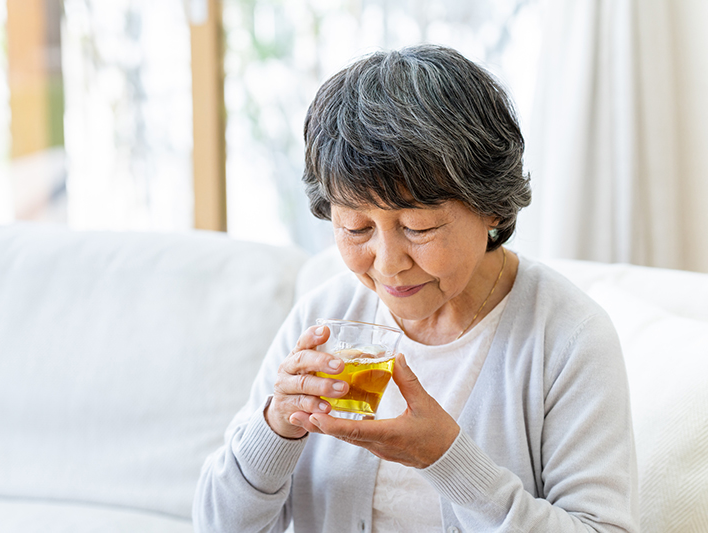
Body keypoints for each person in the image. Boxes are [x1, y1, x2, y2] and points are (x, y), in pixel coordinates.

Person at [193, 45, 639, 532]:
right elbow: (217, 524)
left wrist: (446, 458)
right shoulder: (324, 316)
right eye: (357, 228)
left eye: (419, 228)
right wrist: (275, 428)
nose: (388, 264)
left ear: (493, 207)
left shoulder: (568, 338)